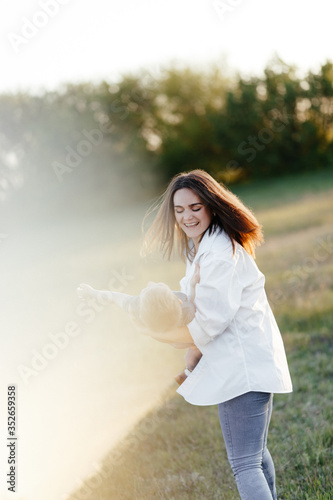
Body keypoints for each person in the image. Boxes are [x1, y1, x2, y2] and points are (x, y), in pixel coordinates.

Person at [141, 169, 293, 500]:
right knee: (254, 455)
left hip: (243, 368)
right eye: (179, 210)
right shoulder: (201, 249)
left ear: (210, 204)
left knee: (244, 465)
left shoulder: (220, 252)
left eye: (194, 207)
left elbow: (209, 322)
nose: (186, 217)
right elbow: (193, 304)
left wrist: (160, 334)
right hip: (246, 363)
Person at [76, 262, 202, 384]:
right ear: (176, 300)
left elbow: (112, 296)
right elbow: (191, 299)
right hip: (181, 338)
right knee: (196, 347)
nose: (149, 283)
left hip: (171, 338)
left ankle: (189, 370)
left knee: (193, 348)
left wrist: (93, 293)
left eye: (146, 289)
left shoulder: (136, 307)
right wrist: (192, 284)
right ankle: (191, 368)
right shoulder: (185, 310)